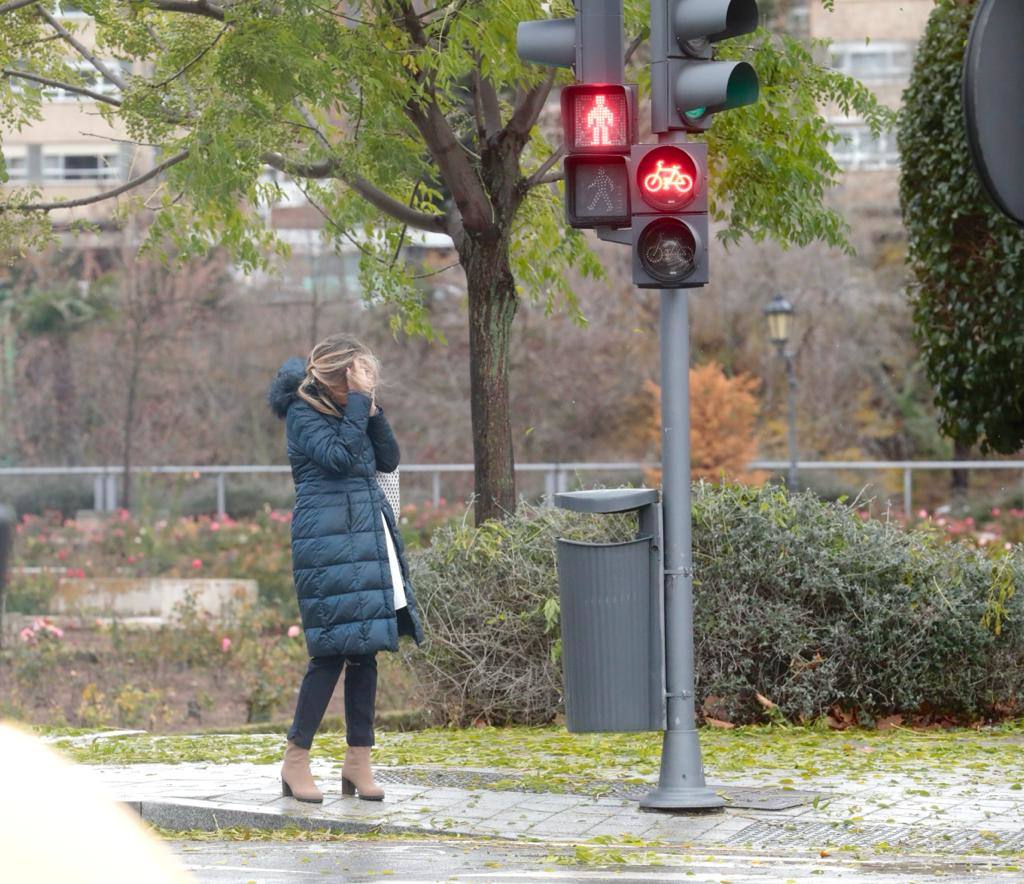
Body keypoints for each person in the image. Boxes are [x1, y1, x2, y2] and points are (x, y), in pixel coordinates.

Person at [267, 334, 423, 803]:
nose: (363, 388)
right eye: (355, 381)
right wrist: (358, 406)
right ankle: (296, 760)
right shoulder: (302, 411)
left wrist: (371, 410)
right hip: (327, 542)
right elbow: (338, 459)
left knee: (368, 650)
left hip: (369, 537)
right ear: (336, 380)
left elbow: (388, 460)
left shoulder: (356, 409)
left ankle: (359, 760)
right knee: (329, 654)